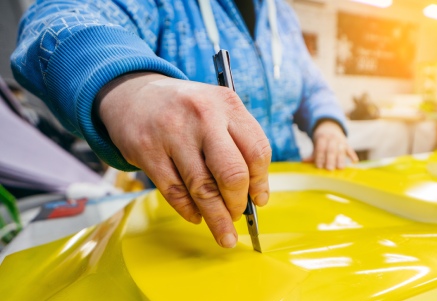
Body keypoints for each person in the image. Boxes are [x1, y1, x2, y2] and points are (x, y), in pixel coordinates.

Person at [11, 0, 358, 249]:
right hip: (189, 211)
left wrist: (327, 123)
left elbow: (310, 85)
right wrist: (132, 85)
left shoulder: (281, 13)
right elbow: (57, 17)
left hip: (292, 198)